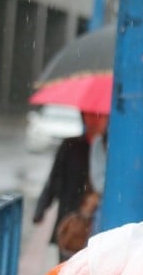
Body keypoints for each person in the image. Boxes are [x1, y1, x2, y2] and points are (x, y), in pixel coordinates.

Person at [32, 111, 107, 261]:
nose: (94, 120)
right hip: (71, 223)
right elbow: (54, 180)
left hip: (99, 224)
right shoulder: (70, 146)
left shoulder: (111, 149)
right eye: (89, 115)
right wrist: (41, 208)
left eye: (100, 116)